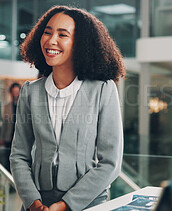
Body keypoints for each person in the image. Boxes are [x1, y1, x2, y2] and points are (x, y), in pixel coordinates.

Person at [10, 5, 125, 211]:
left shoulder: (102, 90)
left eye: (62, 34)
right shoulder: (30, 92)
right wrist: (33, 202)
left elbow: (110, 162)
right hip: (37, 203)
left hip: (87, 203)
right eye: (47, 32)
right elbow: (19, 155)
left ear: (80, 44)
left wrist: (66, 205)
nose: (51, 40)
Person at [0, 82, 21, 172]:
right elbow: (4, 123)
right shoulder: (7, 106)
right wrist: (1, 138)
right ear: (11, 93)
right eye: (14, 91)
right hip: (9, 136)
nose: (15, 93)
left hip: (20, 137)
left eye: (17, 91)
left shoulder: (25, 104)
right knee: (8, 160)